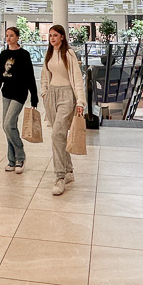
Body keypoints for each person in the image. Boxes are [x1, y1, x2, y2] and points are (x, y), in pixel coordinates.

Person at [41, 24, 86, 195]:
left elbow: (77, 78)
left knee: (57, 134)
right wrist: (44, 93)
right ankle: (69, 171)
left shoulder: (69, 54)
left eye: (55, 35)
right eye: (50, 35)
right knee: (59, 135)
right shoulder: (49, 54)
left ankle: (59, 176)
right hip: (51, 96)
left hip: (67, 95)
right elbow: (45, 76)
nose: (52, 38)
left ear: (62, 37)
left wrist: (80, 101)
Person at [0, 26, 38, 173]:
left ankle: (20, 157)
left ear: (17, 37)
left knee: (9, 124)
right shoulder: (3, 54)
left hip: (20, 94)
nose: (8, 38)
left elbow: (30, 77)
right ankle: (11, 160)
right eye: (7, 35)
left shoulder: (24, 54)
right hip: (6, 93)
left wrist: (34, 97)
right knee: (7, 126)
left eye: (11, 36)